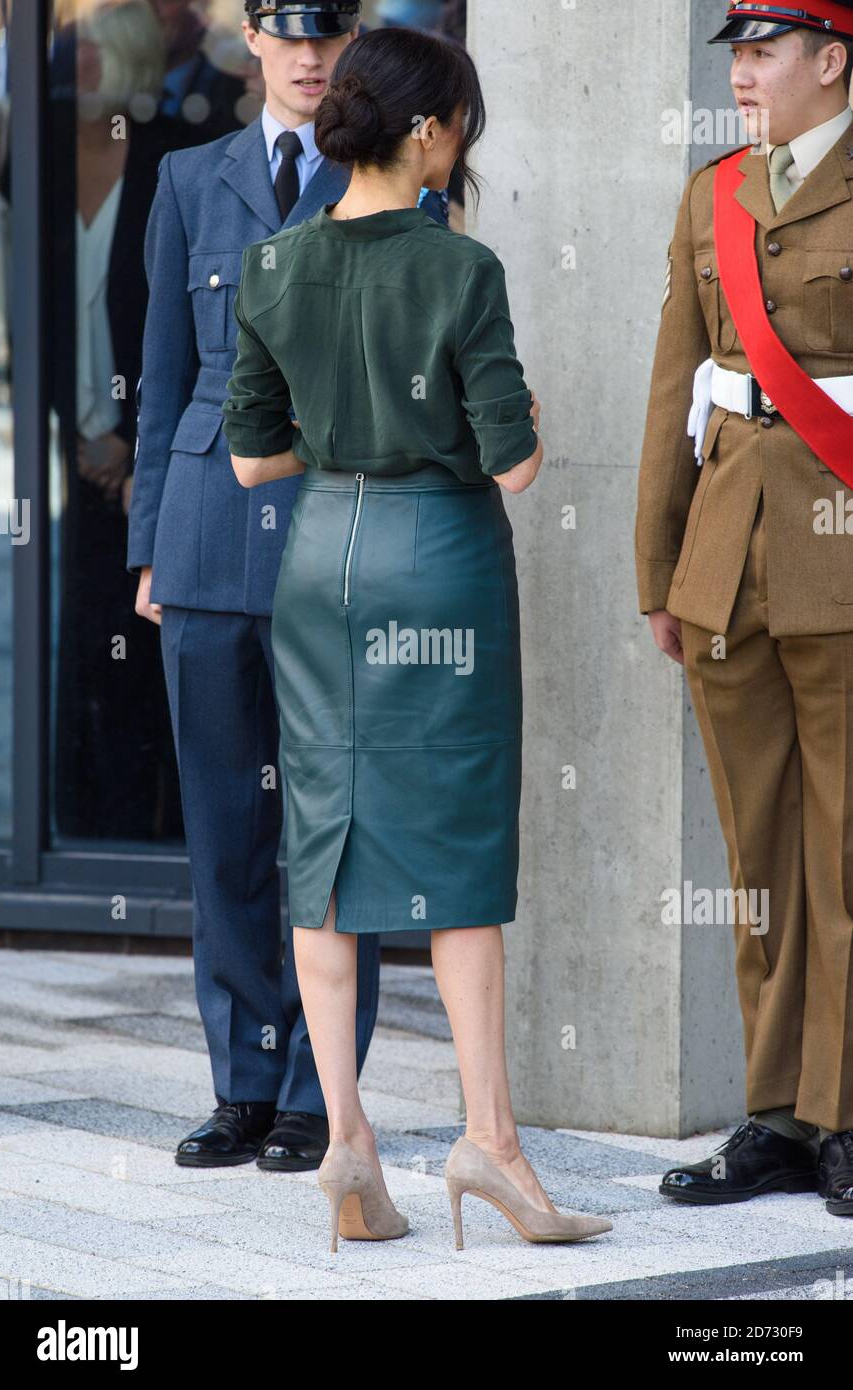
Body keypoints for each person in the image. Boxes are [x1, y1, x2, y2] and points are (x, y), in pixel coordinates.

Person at [223, 23, 613, 1252]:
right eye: (460, 127)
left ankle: (346, 1138)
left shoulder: (274, 260)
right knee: (455, 848)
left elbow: (248, 456)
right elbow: (513, 459)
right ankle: (488, 1142)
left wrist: (346, 433)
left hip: (318, 561)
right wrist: (503, 422)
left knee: (322, 844)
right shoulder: (457, 268)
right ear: (430, 130)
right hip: (434, 567)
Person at [127, 0, 448, 1174]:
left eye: (329, 36)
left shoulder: (391, 173)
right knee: (222, 831)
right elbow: (161, 377)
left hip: (340, 532)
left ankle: (323, 1090)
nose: (310, 58)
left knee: (332, 831)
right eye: (288, 35)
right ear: (249, 38)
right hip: (210, 538)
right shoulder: (187, 178)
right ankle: (242, 1083)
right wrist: (152, 542)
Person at [635, 0, 853, 1217]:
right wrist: (656, 566)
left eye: (764, 52)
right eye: (736, 54)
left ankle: (843, 1112)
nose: (744, 74)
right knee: (753, 854)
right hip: (725, 565)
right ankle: (772, 1114)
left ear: (830, 62)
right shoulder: (712, 194)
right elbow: (678, 380)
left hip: (839, 554)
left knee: (843, 849)